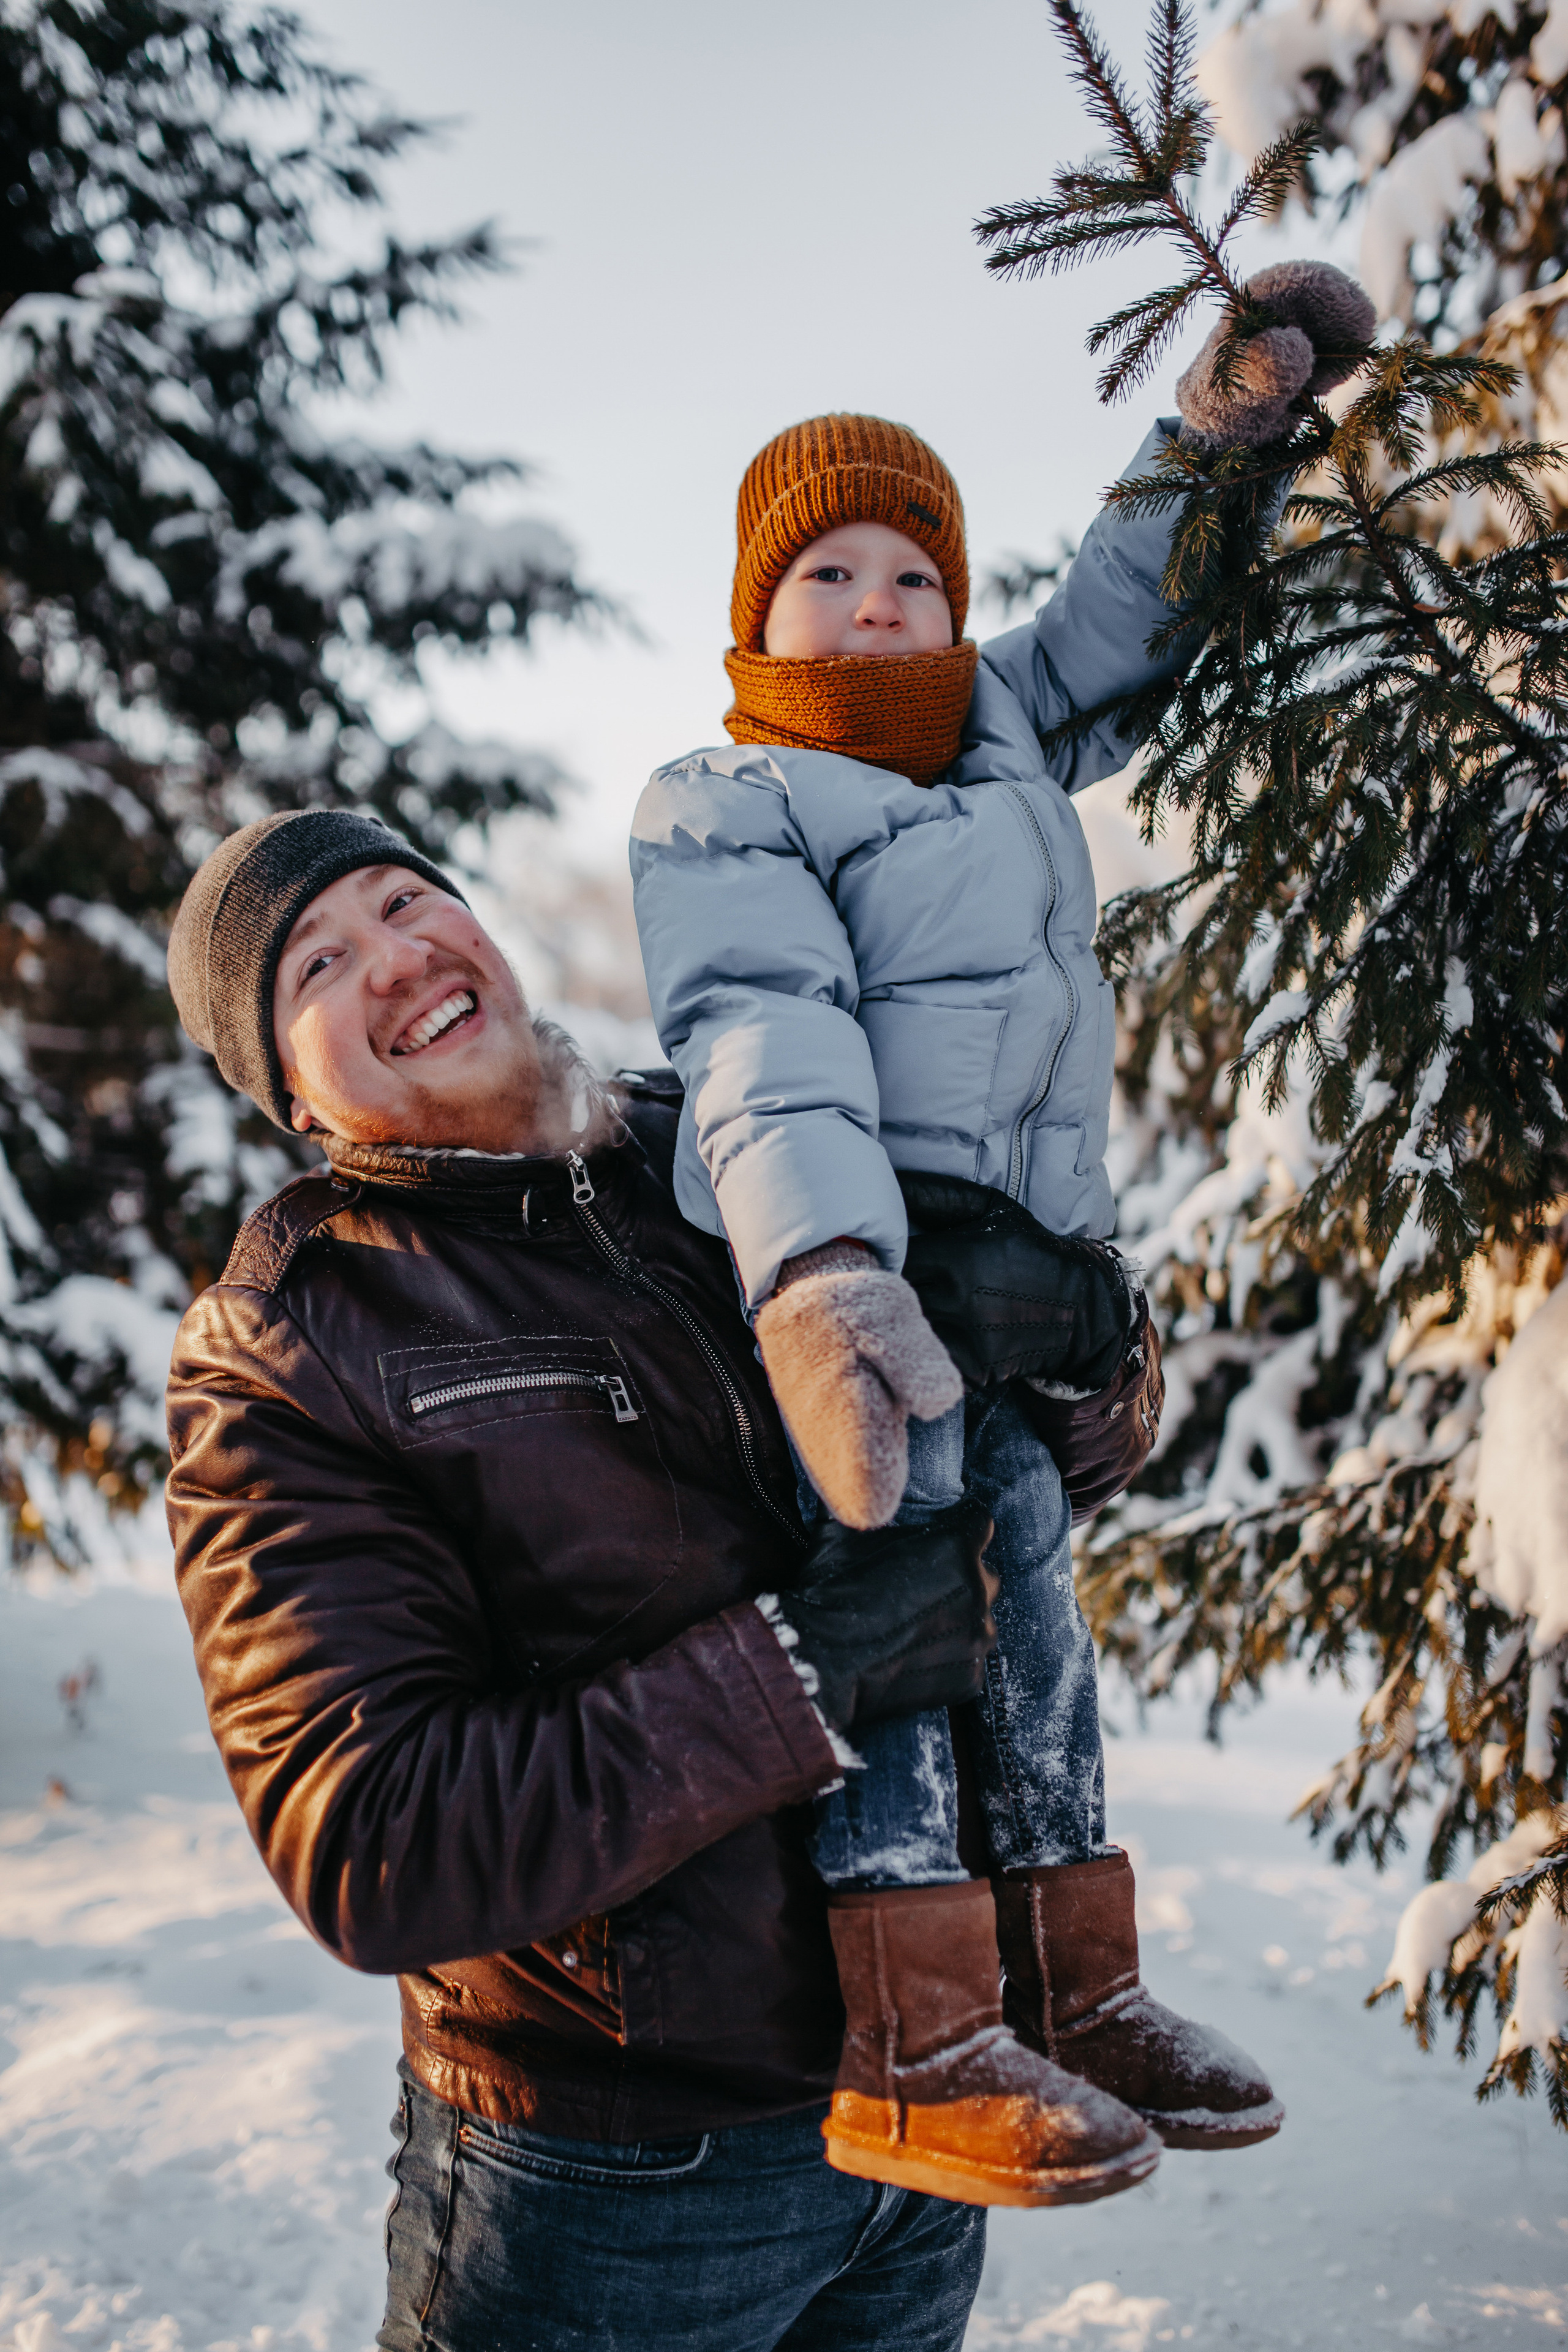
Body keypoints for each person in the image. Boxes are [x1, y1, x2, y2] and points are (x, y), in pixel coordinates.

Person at [164, 805, 1127, 2352]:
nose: (394, 959)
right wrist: (801, 1670)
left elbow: (1034, 1473)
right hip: (615, 2187)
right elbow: (374, 1841)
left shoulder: (741, 1149)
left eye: (404, 902)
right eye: (316, 967)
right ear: (288, 1090)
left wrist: (1084, 1345)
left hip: (936, 2089)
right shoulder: (296, 1338)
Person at [630, 263, 1376, 2204]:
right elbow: (765, 1035)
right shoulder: (729, 798)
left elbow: (1124, 612)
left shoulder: (1001, 736)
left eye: (916, 575)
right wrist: (823, 1278)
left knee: (1036, 1612)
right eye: (830, 574)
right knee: (898, 1609)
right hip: (875, 1291)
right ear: (755, 613)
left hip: (1023, 1292)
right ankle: (919, 2031)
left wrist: (1212, 442)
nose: (879, 605)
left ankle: (1073, 1984)